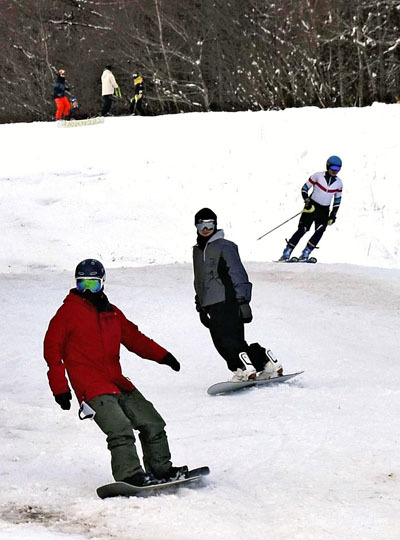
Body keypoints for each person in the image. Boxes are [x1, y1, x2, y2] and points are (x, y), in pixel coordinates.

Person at [43, 259, 188, 487]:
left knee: (152, 422)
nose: (88, 290)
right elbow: (52, 351)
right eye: (83, 285)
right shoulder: (67, 313)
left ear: (102, 283)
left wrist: (163, 356)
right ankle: (129, 475)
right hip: (91, 387)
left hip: (117, 382)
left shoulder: (111, 313)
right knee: (120, 429)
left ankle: (161, 469)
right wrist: (60, 388)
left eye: (93, 284)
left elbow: (135, 338)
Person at [192, 208, 283, 382]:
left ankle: (241, 369)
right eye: (201, 224)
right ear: (196, 226)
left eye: (209, 224)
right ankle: (265, 362)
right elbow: (199, 280)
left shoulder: (225, 246)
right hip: (211, 303)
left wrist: (242, 301)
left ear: (215, 225)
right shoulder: (197, 251)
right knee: (233, 340)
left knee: (224, 341)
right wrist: (200, 306)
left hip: (227, 300)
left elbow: (238, 273)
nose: (205, 228)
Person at [279, 155, 343, 261]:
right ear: (327, 166)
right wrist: (307, 201)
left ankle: (306, 253)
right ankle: (286, 253)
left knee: (320, 231)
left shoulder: (339, 183)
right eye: (333, 168)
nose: (334, 171)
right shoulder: (318, 176)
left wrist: (333, 214)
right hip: (312, 207)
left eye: (337, 169)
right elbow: (304, 189)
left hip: (324, 210)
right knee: (303, 229)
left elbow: (337, 200)